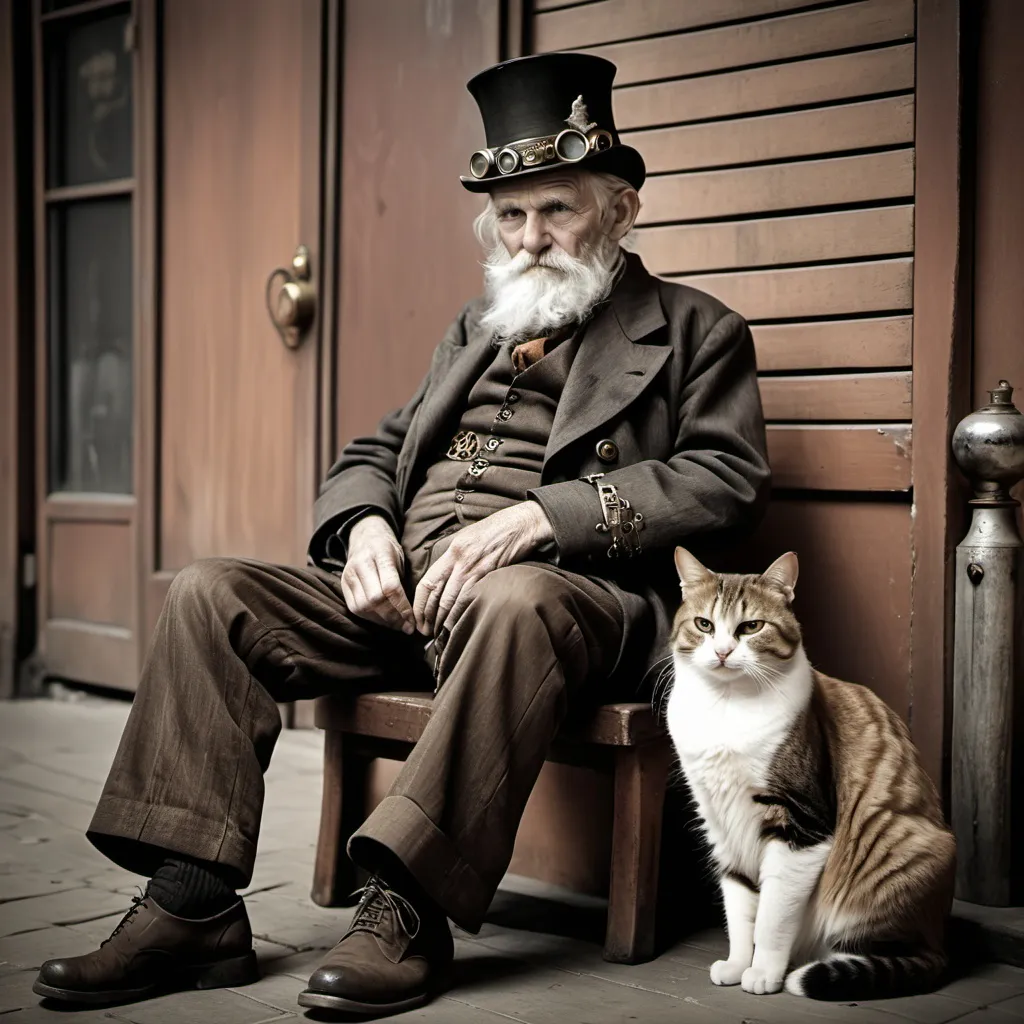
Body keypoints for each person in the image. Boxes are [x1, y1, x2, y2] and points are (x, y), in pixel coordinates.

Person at [32, 52, 770, 1018]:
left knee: (516, 599)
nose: (532, 237)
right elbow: (374, 447)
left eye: (557, 210)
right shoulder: (477, 325)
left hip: (571, 603)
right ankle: (192, 904)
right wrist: (366, 524)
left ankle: (409, 908)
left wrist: (544, 518)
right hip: (413, 596)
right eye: (511, 216)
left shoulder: (697, 331)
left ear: (620, 210)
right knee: (211, 592)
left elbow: (726, 480)